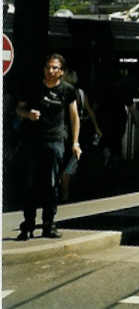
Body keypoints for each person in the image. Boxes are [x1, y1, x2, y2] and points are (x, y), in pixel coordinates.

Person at [15, 54, 81, 240]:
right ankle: (28, 224)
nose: (50, 71)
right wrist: (28, 114)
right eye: (48, 67)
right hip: (32, 141)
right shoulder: (32, 87)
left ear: (61, 72)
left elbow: (74, 117)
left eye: (54, 68)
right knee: (30, 184)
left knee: (51, 184)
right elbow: (19, 108)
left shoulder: (68, 90)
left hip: (55, 140)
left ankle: (48, 224)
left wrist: (75, 142)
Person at [59, 70, 102, 203]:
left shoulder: (61, 92)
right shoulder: (82, 93)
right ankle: (65, 193)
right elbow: (90, 111)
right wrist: (96, 128)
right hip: (78, 133)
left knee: (61, 164)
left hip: (63, 132)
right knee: (70, 165)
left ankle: (60, 192)